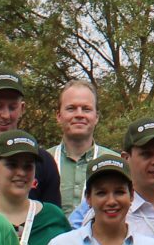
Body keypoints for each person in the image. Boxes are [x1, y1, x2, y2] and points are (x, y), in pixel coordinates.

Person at [45, 80, 111, 212]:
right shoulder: (42, 162)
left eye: (86, 109)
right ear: (58, 116)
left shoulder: (114, 161)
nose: (79, 114)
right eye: (71, 108)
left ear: (96, 116)